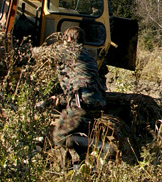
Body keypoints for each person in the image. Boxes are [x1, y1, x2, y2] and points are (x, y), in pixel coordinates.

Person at [34, 26, 107, 165]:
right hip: (97, 102)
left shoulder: (68, 50)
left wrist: (21, 50)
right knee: (76, 140)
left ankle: (102, 147)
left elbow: (41, 53)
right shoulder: (86, 55)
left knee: (59, 136)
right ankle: (77, 170)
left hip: (81, 104)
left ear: (69, 38)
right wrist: (57, 99)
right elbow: (79, 82)